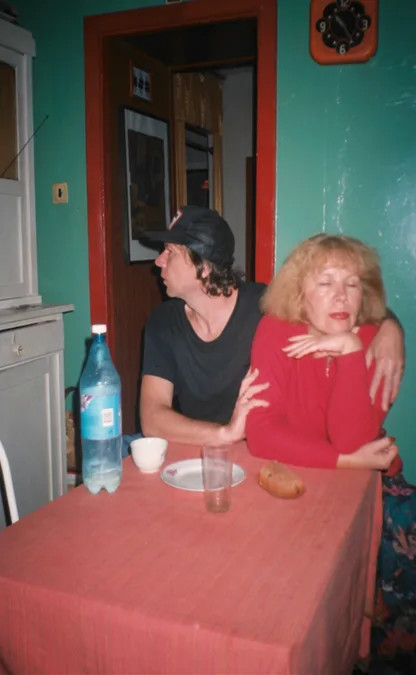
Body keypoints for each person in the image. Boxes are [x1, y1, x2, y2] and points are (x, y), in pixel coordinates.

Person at [245, 233, 415, 667]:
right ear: (299, 293)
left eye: (352, 283)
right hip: (299, 480)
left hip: (369, 486)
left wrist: (350, 351)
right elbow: (260, 434)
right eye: (325, 282)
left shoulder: (376, 340)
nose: (341, 295)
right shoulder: (275, 331)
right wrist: (347, 461)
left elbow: (351, 440)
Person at [140, 207, 404, 448]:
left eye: (169, 252)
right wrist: (224, 434)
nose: (158, 261)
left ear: (204, 266)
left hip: (268, 454)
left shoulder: (267, 306)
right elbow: (152, 418)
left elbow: (339, 308)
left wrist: (390, 327)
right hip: (197, 451)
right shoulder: (163, 322)